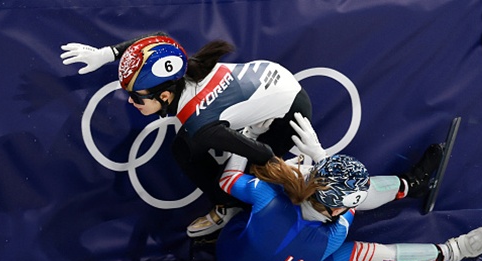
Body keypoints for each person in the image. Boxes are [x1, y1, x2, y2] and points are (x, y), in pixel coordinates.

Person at [60, 33, 313, 238]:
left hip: (287, 116)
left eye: (136, 97)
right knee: (183, 147)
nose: (130, 101)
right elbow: (157, 40)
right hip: (271, 89)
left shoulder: (199, 124)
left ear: (165, 96)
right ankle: (230, 200)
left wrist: (253, 143)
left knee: (229, 180)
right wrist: (106, 54)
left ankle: (250, 203)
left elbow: (262, 154)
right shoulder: (184, 69)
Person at [215, 147, 482, 261]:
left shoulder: (268, 195)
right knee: (365, 252)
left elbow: (228, 180)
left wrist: (244, 137)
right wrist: (320, 155)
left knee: (297, 183)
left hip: (231, 257)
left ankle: (411, 187)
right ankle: (450, 251)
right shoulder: (334, 235)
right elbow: (354, 200)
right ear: (336, 209)